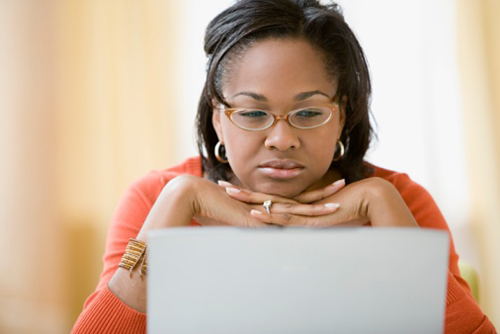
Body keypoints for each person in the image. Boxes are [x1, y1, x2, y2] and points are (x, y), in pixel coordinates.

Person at [72, 0, 496, 333]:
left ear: (342, 116)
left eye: (309, 113)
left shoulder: (400, 200)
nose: (282, 139)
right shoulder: (156, 197)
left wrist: (384, 207)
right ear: (218, 117)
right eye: (253, 114)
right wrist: (177, 202)